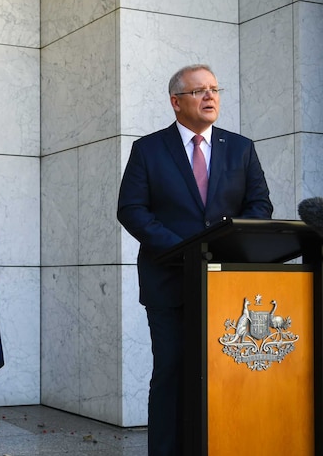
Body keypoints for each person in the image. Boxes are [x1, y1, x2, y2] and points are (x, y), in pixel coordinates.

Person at [117, 64, 273, 455]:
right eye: (199, 91)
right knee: (170, 371)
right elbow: (132, 209)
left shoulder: (240, 147)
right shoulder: (148, 149)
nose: (210, 97)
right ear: (176, 102)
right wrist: (183, 250)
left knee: (224, 374)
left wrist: (225, 246)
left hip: (226, 284)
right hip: (169, 281)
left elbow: (260, 205)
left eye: (214, 89)